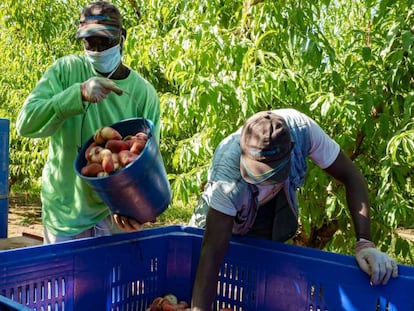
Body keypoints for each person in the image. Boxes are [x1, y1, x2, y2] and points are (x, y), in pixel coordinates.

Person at [189, 108, 399, 310]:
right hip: (226, 216)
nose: (261, 182)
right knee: (210, 273)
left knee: (261, 281)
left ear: (291, 149)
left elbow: (352, 176)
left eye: (269, 175)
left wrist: (365, 243)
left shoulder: (303, 130)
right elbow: (212, 252)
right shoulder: (228, 177)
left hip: (272, 210)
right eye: (255, 173)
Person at [16, 1, 161, 243]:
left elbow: (146, 163)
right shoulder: (66, 71)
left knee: (111, 281)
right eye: (89, 42)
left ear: (122, 38)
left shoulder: (142, 93)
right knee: (68, 281)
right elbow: (26, 124)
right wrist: (77, 94)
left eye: (105, 41)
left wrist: (138, 210)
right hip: (66, 214)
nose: (97, 48)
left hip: (115, 216)